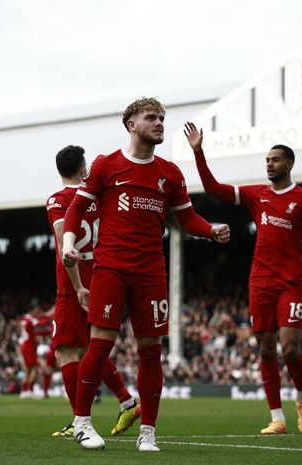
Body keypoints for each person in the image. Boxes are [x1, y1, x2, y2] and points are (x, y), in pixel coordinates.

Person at [61, 98, 230, 451]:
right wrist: (69, 243)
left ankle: (148, 432)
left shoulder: (170, 173)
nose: (159, 123)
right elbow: (77, 207)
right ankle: (82, 422)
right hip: (110, 269)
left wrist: (210, 229)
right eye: (151, 117)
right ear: (131, 124)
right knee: (100, 344)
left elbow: (187, 218)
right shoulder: (107, 165)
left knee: (151, 352)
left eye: (162, 118)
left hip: (151, 272)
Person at [184, 122, 302, 435]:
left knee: (289, 347)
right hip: (260, 282)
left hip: (291, 283)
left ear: (289, 164)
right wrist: (199, 152)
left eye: (275, 159)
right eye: (266, 159)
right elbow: (214, 188)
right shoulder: (257, 194)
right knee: (266, 350)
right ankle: (277, 419)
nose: (269, 163)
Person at [46, 145, 141, 438]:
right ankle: (127, 401)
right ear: (82, 170)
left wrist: (76, 288)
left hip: (76, 283)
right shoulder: (97, 197)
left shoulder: (58, 200)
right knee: (91, 346)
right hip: (103, 275)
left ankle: (79, 421)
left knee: (66, 350)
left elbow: (65, 243)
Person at [18, 300, 53, 398]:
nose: (37, 312)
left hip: (25, 346)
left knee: (28, 370)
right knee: (34, 369)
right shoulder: (30, 319)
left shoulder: (24, 318)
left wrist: (47, 331)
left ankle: (25, 391)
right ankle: (29, 390)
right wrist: (51, 315)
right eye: (37, 310)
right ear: (33, 309)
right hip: (29, 347)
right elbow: (41, 323)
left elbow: (34, 332)